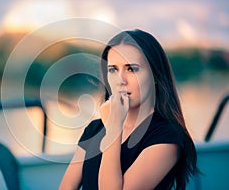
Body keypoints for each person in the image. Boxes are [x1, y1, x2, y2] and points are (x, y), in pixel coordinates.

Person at [59, 29, 199, 190]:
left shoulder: (166, 137)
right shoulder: (94, 129)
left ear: (155, 76)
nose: (121, 80)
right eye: (113, 70)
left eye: (131, 69)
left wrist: (113, 131)